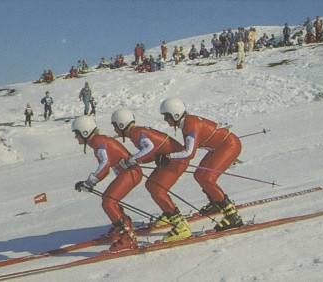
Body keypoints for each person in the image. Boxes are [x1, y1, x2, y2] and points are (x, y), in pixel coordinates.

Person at [158, 97, 243, 232]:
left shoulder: (190, 124)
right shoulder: (186, 123)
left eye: (166, 116)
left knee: (207, 178)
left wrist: (168, 157)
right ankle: (216, 202)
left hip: (229, 146)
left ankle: (232, 215)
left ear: (175, 115)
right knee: (199, 175)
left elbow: (189, 153)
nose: (165, 120)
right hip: (221, 146)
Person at [111, 109, 191, 242]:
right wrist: (136, 159)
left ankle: (181, 226)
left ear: (121, 125)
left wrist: (131, 160)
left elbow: (149, 148)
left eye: (115, 126)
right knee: (151, 185)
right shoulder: (136, 133)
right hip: (170, 160)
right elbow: (150, 152)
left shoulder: (136, 133)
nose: (115, 130)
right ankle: (168, 213)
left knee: (158, 190)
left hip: (176, 160)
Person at [72, 116, 142, 252]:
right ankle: (123, 225)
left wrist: (90, 182)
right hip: (128, 172)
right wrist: (89, 182)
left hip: (131, 172)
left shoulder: (98, 141)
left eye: (77, 134)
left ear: (85, 133)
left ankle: (128, 237)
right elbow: (104, 168)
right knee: (109, 200)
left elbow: (105, 164)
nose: (75, 137)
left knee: (108, 202)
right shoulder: (97, 141)